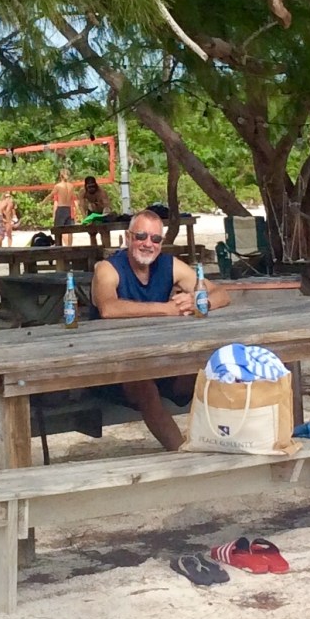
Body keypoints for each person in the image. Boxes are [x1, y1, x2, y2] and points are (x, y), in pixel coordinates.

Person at [92, 209, 231, 450]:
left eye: (155, 239)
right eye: (141, 236)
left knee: (213, 368)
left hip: (160, 358)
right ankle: (183, 454)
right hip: (113, 365)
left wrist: (201, 302)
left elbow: (221, 292)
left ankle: (225, 443)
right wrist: (168, 309)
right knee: (144, 386)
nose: (148, 244)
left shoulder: (170, 265)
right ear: (127, 237)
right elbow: (108, 308)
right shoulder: (107, 268)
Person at [43, 168, 76, 246]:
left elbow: (51, 195)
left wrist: (43, 202)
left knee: (58, 230)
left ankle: (58, 247)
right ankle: (69, 247)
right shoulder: (71, 186)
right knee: (69, 230)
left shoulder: (58, 186)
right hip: (69, 208)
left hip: (61, 208)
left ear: (60, 176)